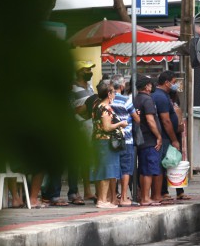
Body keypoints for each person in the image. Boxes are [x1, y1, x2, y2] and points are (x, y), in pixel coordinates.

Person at [44, 60, 97, 206]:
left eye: (90, 70)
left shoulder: (90, 87)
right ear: (79, 71)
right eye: (86, 70)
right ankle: (53, 195)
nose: (89, 72)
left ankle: (73, 192)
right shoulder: (69, 88)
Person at [90, 80, 127, 209]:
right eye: (113, 92)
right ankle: (102, 200)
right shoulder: (105, 107)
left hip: (98, 141)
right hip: (105, 142)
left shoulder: (96, 105)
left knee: (101, 170)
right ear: (109, 93)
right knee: (106, 171)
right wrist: (120, 124)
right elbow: (107, 127)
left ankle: (101, 199)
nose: (115, 95)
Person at [150, 71, 181, 204]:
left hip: (164, 137)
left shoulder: (163, 95)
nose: (175, 85)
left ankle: (162, 192)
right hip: (164, 137)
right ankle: (160, 193)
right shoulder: (161, 97)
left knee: (163, 165)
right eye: (174, 82)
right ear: (166, 82)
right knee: (162, 165)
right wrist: (174, 140)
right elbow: (166, 121)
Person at [109, 75, 140, 207]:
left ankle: (112, 198)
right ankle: (123, 198)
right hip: (126, 139)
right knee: (126, 169)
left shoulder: (107, 99)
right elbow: (136, 119)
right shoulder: (126, 100)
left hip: (111, 139)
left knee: (113, 169)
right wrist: (134, 116)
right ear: (122, 86)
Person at [132, 76, 163, 206]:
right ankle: (145, 198)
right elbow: (150, 120)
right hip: (150, 140)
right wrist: (158, 136)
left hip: (141, 139)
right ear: (146, 86)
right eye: (150, 84)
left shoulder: (136, 99)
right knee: (149, 170)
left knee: (144, 169)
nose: (152, 86)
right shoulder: (147, 100)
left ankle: (143, 197)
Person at [168, 87, 191, 200]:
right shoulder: (175, 108)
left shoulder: (167, 106)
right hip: (174, 140)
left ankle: (167, 192)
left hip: (168, 139)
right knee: (177, 165)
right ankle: (179, 191)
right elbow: (179, 127)